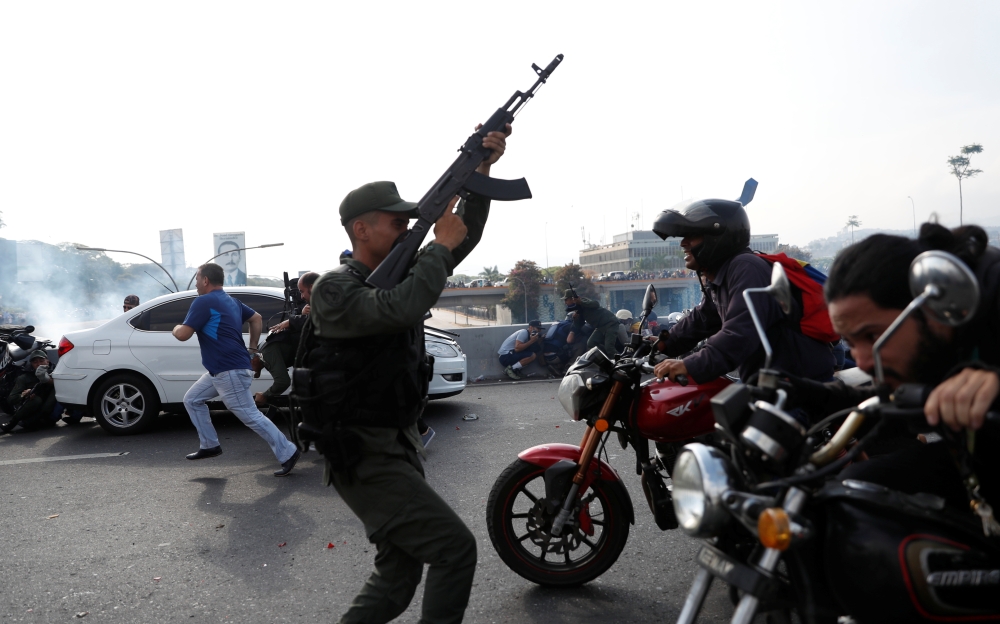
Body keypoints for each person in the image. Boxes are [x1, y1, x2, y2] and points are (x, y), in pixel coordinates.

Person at [299, 123, 508, 624]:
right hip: (362, 449)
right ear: (360, 229)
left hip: (395, 441)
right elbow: (398, 307)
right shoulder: (334, 288)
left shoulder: (397, 271)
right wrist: (435, 247)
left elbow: (460, 239)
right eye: (397, 223)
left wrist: (480, 172)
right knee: (454, 549)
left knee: (399, 572)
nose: (407, 229)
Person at [819, 224, 999, 514]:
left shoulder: (992, 291)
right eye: (852, 343)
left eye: (874, 337)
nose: (863, 361)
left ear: (932, 307)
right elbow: (892, 401)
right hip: (976, 454)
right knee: (856, 489)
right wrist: (809, 394)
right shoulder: (929, 346)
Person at [649, 197, 835, 385]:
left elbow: (740, 332)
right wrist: (664, 343)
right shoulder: (723, 276)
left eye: (692, 235)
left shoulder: (746, 267)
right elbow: (702, 319)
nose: (683, 243)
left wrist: (690, 365)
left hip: (797, 384)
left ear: (716, 237)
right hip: (766, 380)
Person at [172, 262, 300, 476]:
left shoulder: (203, 301)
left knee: (250, 415)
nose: (195, 283)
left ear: (205, 280)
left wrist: (175, 327)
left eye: (196, 278)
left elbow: (183, 334)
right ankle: (210, 444)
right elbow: (257, 318)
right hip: (222, 369)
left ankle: (288, 451)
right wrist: (251, 348)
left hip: (228, 369)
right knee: (192, 400)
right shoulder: (231, 301)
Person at [253, 272, 319, 408]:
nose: (301, 296)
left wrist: (265, 395)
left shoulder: (267, 353)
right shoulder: (266, 351)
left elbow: (283, 382)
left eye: (302, 292)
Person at [1, 350, 59, 433]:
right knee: (36, 400)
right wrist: (23, 395)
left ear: (47, 361)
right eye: (35, 362)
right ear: (31, 364)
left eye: (41, 361)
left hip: (49, 409)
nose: (39, 364)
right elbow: (11, 399)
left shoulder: (55, 372)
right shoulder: (24, 378)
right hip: (32, 408)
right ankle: (12, 422)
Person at [564, 288, 619, 357]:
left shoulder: (583, 301)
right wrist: (575, 319)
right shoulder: (578, 308)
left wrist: (580, 302)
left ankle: (621, 363)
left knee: (609, 348)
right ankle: (606, 358)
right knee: (591, 343)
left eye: (566, 300)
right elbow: (579, 324)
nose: (565, 302)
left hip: (610, 323)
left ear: (572, 299)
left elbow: (596, 304)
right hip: (600, 327)